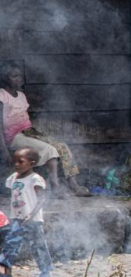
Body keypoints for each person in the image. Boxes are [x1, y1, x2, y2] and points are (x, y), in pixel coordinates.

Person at [0, 62, 89, 196]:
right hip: (14, 137)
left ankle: (74, 185)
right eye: (14, 76)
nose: (19, 79)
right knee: (50, 149)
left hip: (29, 132)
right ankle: (55, 187)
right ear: (5, 78)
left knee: (62, 146)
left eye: (20, 76)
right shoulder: (1, 95)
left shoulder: (21, 95)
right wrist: (4, 150)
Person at [0, 148, 54, 277]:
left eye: (21, 161)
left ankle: (46, 272)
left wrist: (31, 214)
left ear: (32, 163)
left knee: (38, 246)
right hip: (17, 219)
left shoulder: (35, 179)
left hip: (33, 220)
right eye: (15, 161)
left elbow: (41, 199)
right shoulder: (13, 177)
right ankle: (5, 275)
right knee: (9, 246)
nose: (16, 164)